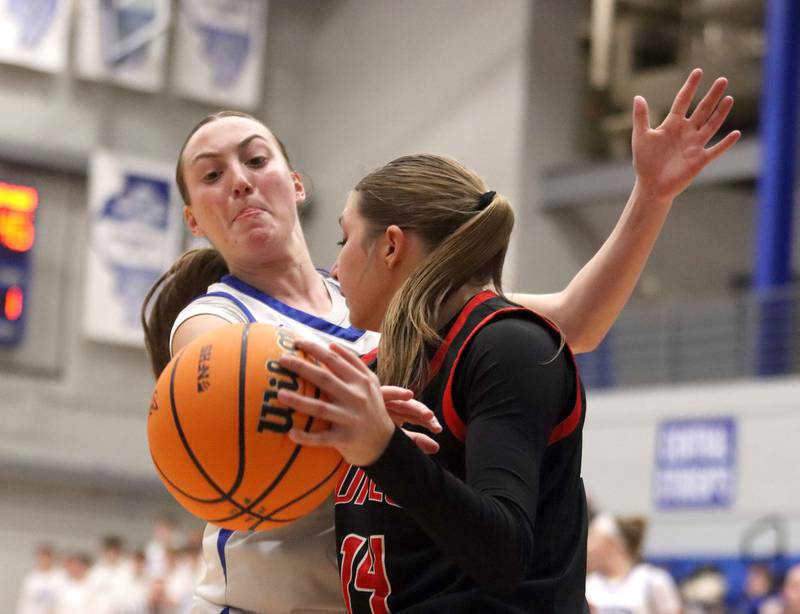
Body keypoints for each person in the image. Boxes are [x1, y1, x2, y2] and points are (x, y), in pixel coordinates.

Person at [141, 68, 738, 613]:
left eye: (255, 160)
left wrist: (651, 196)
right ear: (194, 219)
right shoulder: (212, 317)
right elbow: (221, 389)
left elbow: (571, 322)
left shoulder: (384, 304)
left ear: (295, 184)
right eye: (213, 175)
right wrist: (363, 402)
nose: (241, 182)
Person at [585, 515, 683, 614]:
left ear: (614, 543)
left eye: (593, 540)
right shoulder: (588, 585)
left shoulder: (652, 580)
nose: (588, 549)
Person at [15, 543, 65, 614]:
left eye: (47, 556)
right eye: (42, 556)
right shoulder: (31, 578)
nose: (44, 560)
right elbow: (24, 602)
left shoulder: (62, 576)